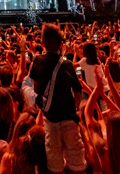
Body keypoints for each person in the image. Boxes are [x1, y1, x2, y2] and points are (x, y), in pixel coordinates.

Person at [29, 24, 85, 174]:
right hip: (69, 118)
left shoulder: (37, 61)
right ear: (61, 45)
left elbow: (36, 89)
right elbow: (78, 91)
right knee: (77, 163)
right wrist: (76, 109)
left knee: (55, 165)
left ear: (42, 44)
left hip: (50, 119)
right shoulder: (67, 65)